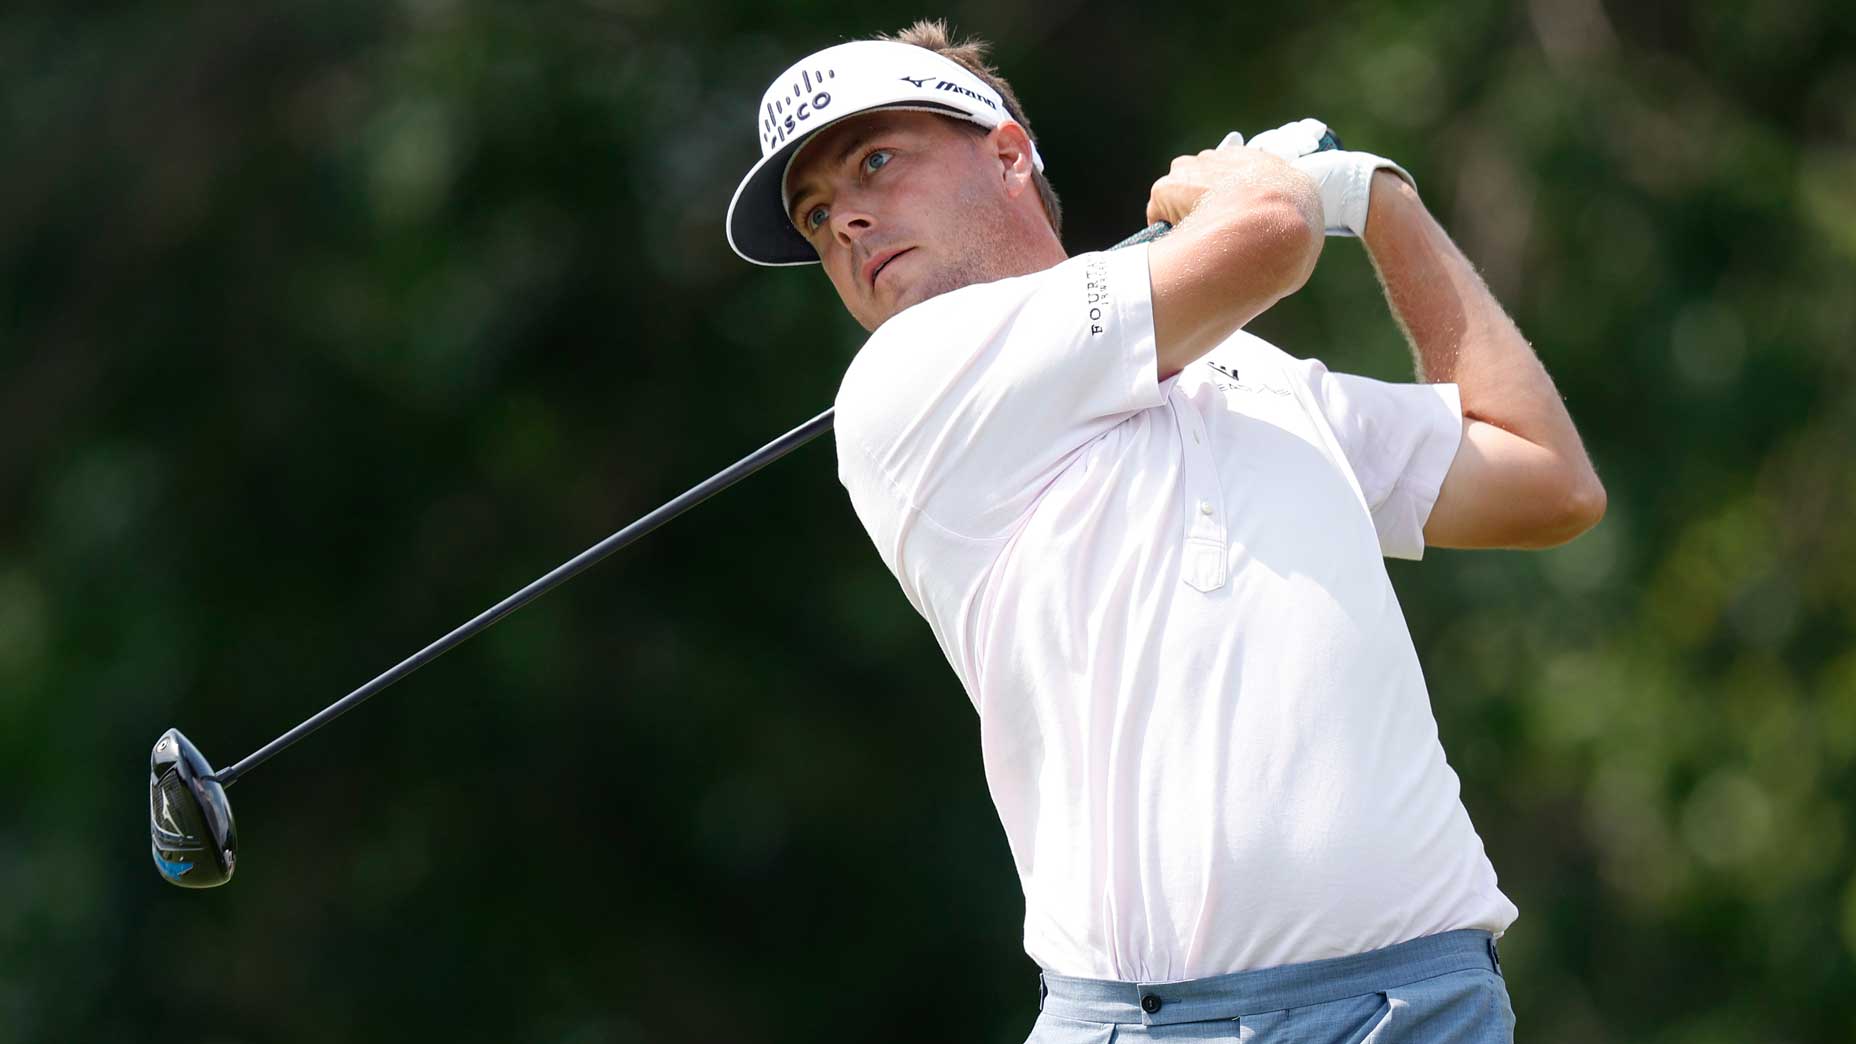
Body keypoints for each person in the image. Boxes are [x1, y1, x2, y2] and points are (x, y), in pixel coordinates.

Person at [726, 20, 1605, 1044]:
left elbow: (1545, 482)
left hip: (1428, 1006)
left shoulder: (1253, 376)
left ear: (1008, 153)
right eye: (819, 212)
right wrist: (1260, 190)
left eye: (875, 164)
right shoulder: (905, 380)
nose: (848, 224)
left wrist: (1377, 199)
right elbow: (1269, 237)